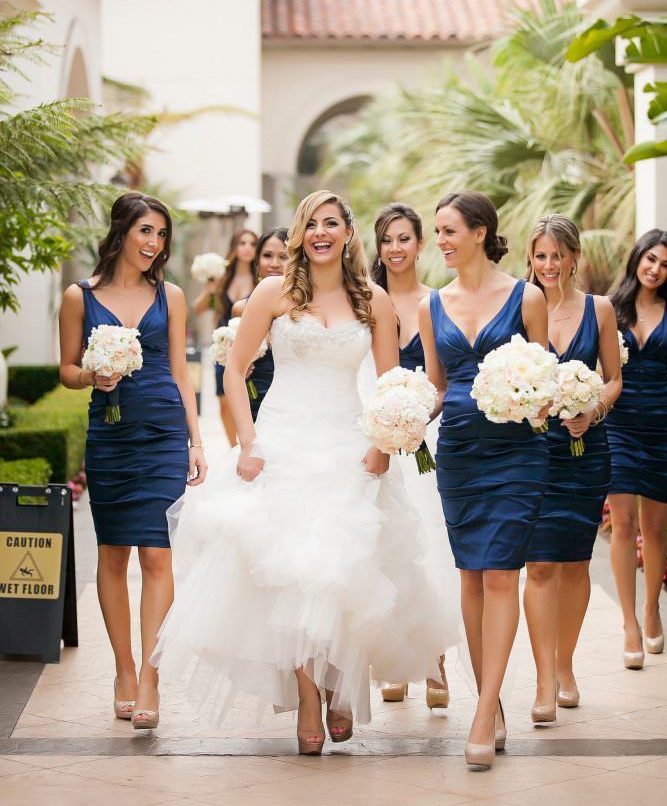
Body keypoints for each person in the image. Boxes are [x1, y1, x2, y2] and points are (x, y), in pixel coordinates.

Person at [152, 191, 446, 755]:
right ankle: (309, 696)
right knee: (291, 572)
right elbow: (235, 371)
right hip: (283, 441)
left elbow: (391, 385)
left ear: (348, 233)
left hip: (349, 443)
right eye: (311, 223)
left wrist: (385, 445)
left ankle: (339, 681)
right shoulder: (273, 292)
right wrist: (247, 442)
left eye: (331, 223)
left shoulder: (373, 300)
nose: (321, 233)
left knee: (341, 569)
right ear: (298, 233)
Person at [59, 192, 207, 730]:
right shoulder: (80, 297)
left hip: (163, 433)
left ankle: (150, 675)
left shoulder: (171, 295)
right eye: (146, 231)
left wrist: (195, 441)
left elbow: (180, 371)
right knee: (114, 553)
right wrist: (92, 374)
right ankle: (122, 669)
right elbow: (65, 370)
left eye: (161, 234)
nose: (154, 243)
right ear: (122, 232)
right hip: (110, 437)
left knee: (159, 556)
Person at [419, 190, 549, 770]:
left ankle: (484, 709)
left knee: (501, 575)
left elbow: (542, 376)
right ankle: (488, 701)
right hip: (460, 455)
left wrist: (542, 402)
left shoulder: (528, 297)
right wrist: (401, 416)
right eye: (437, 232)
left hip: (518, 452)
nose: (440, 242)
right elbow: (439, 385)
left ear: (480, 232)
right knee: (470, 577)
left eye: (449, 231)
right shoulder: (431, 305)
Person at [524, 215, 621, 720]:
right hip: (535, 453)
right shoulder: (521, 306)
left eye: (556, 255)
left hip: (587, 452)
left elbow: (613, 379)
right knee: (539, 564)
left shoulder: (599, 309)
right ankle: (543, 679)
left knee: (576, 562)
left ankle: (566, 664)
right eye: (540, 256)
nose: (548, 265)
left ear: (573, 257)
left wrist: (592, 410)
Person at [370, 203, 459, 709]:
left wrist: (419, 417)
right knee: (387, 551)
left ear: (420, 244)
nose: (396, 248)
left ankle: (437, 664)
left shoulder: (437, 302)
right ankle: (395, 662)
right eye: (387, 239)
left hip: (429, 440)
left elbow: (439, 379)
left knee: (429, 548)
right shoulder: (366, 301)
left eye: (404, 238)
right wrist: (384, 426)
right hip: (378, 439)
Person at [606, 230, 667, 667]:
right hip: (616, 423)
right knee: (623, 523)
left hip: (659, 425)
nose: (655, 268)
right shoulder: (610, 308)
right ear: (637, 258)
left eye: (666, 264)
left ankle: (652, 607)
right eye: (650, 259)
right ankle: (630, 623)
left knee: (654, 530)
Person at [194, 229, 257, 445]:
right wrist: (210, 290)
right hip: (223, 346)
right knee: (224, 401)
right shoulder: (222, 279)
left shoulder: (260, 280)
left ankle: (248, 442)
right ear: (235, 247)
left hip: (253, 348)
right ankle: (233, 447)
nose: (247, 247)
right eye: (242, 243)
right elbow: (198, 309)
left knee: (249, 399)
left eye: (252, 243)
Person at [231, 227, 289, 420]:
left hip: (293, 405)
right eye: (267, 255)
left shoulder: (306, 309)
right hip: (255, 403)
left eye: (283, 256)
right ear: (257, 262)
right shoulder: (241, 309)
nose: (274, 263)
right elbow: (233, 367)